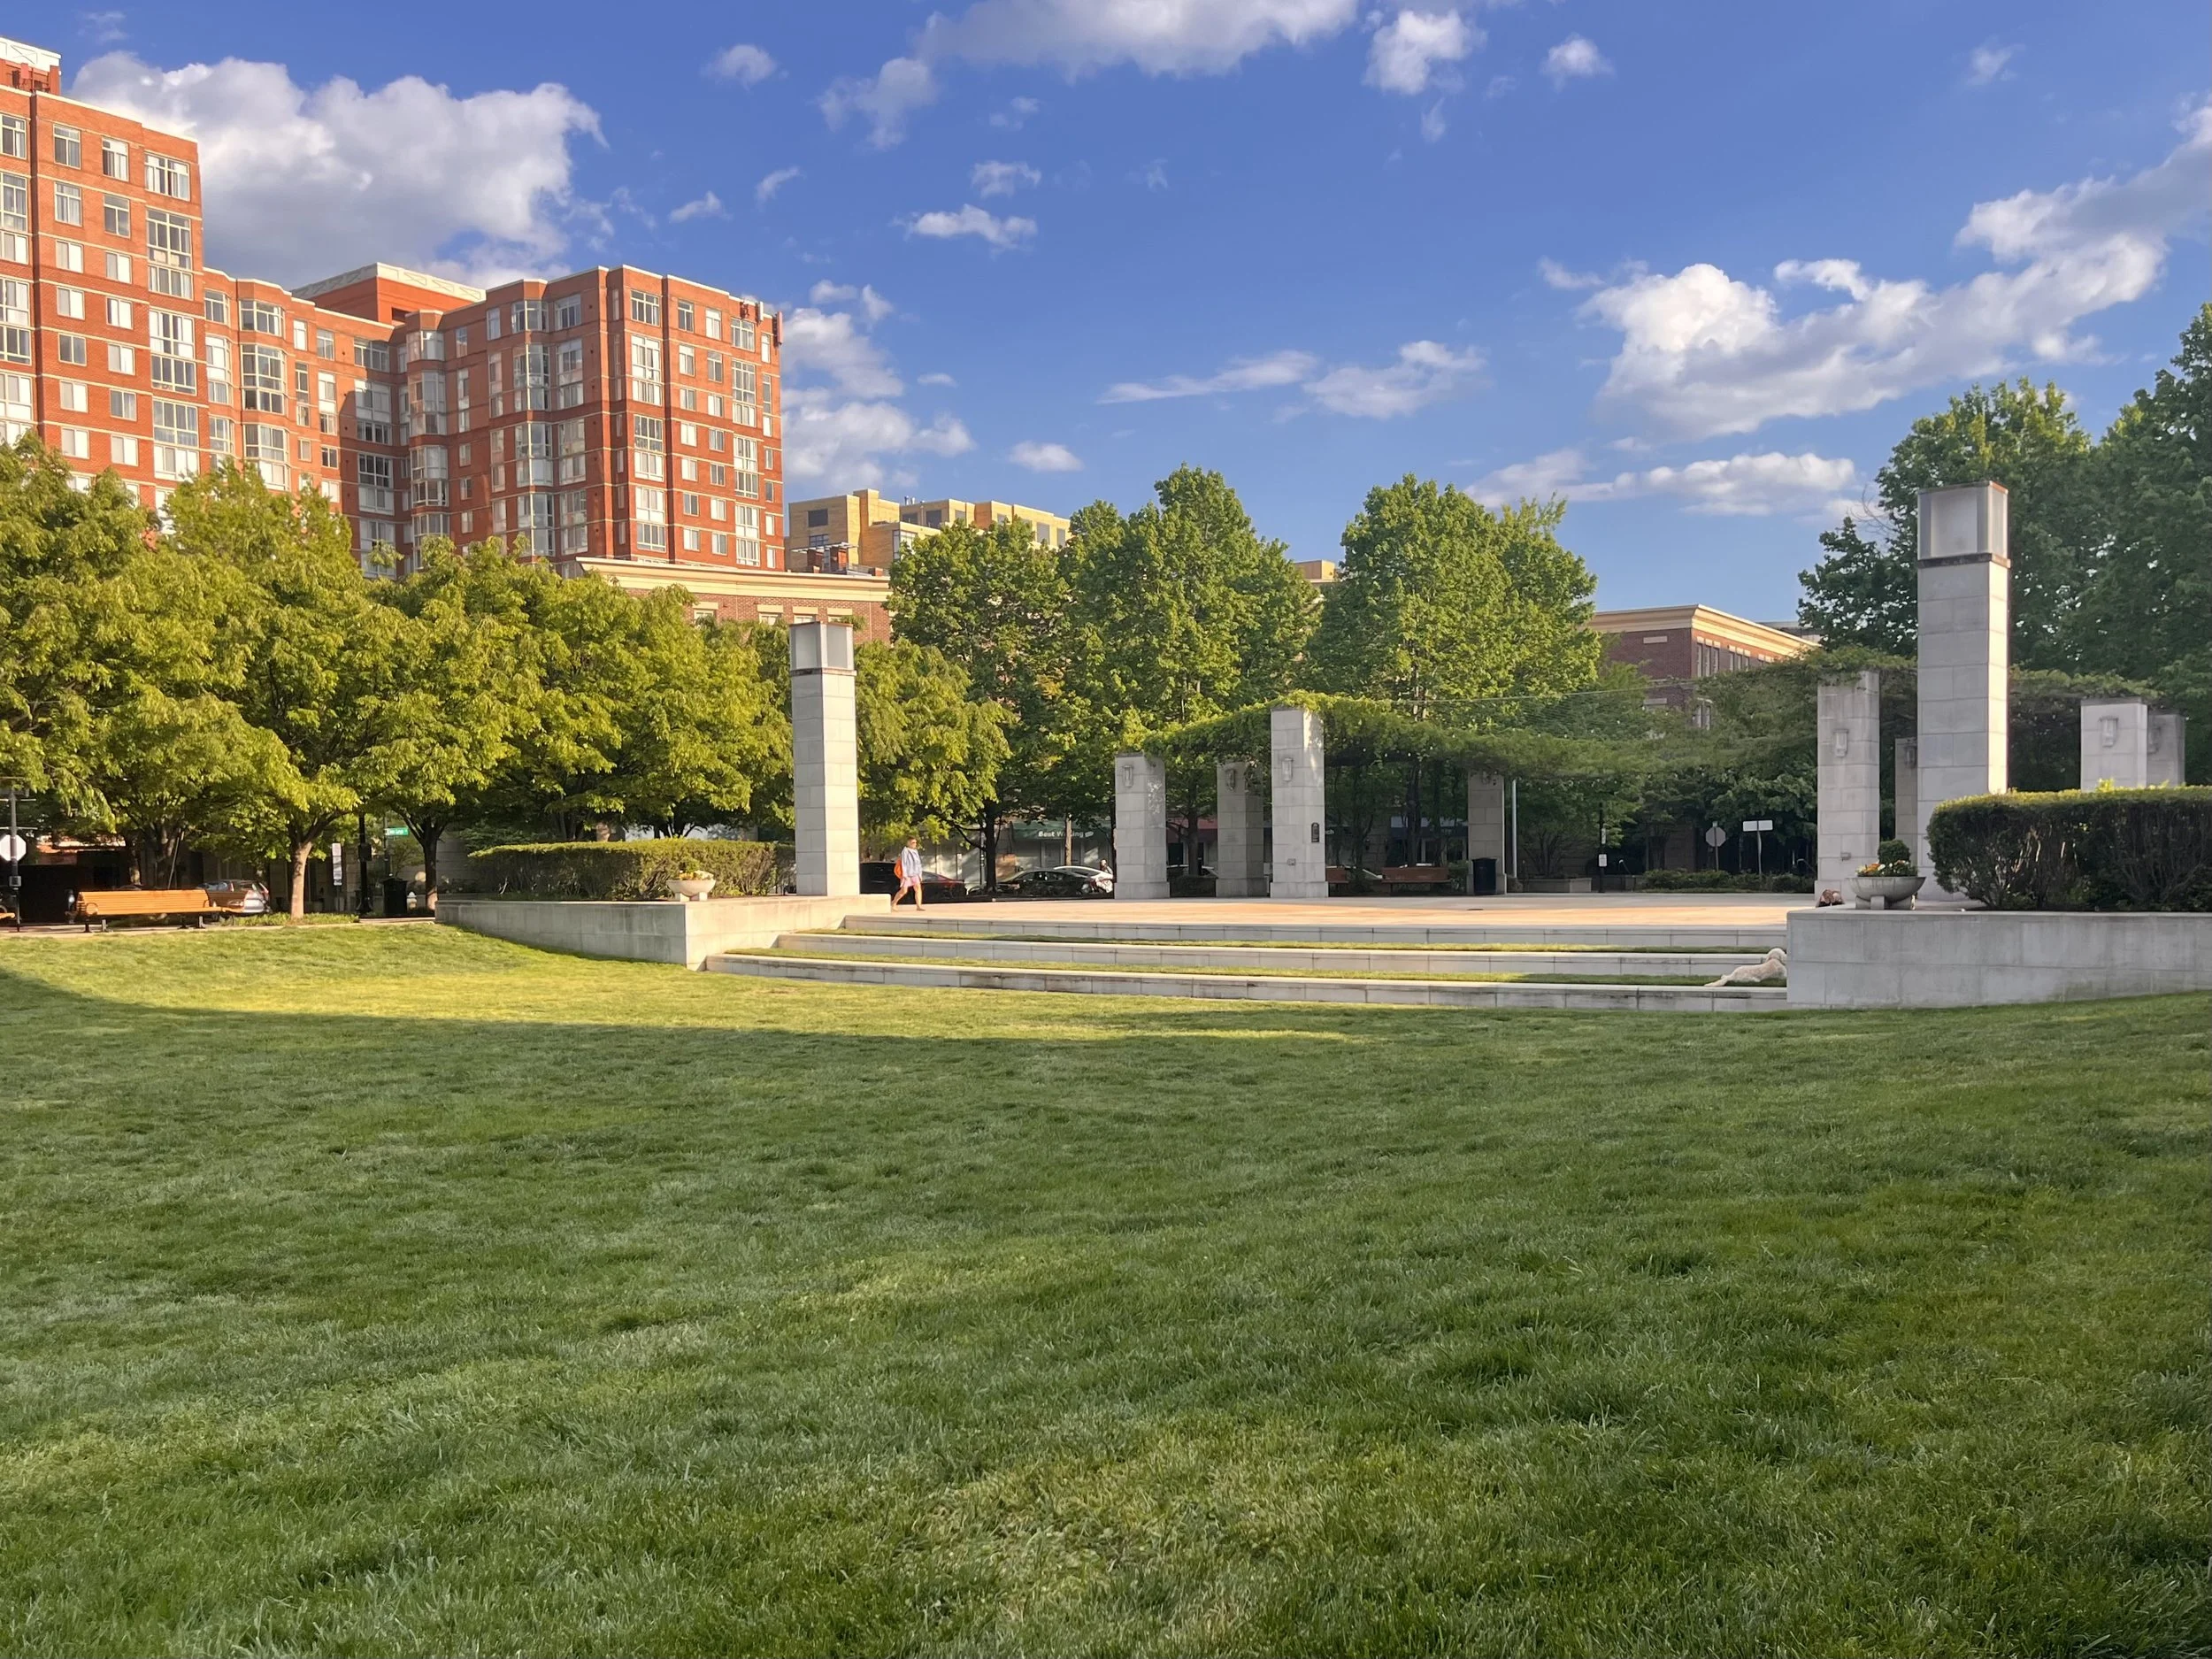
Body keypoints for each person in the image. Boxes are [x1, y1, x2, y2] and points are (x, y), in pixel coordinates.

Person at [893, 837, 926, 909]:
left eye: (915, 843)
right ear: (908, 843)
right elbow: (904, 863)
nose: (915, 844)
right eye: (913, 843)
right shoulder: (905, 851)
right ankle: (894, 903)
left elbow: (918, 863)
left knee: (918, 888)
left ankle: (919, 906)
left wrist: (920, 874)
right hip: (907, 874)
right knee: (904, 891)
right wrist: (904, 874)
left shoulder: (915, 851)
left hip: (915, 873)